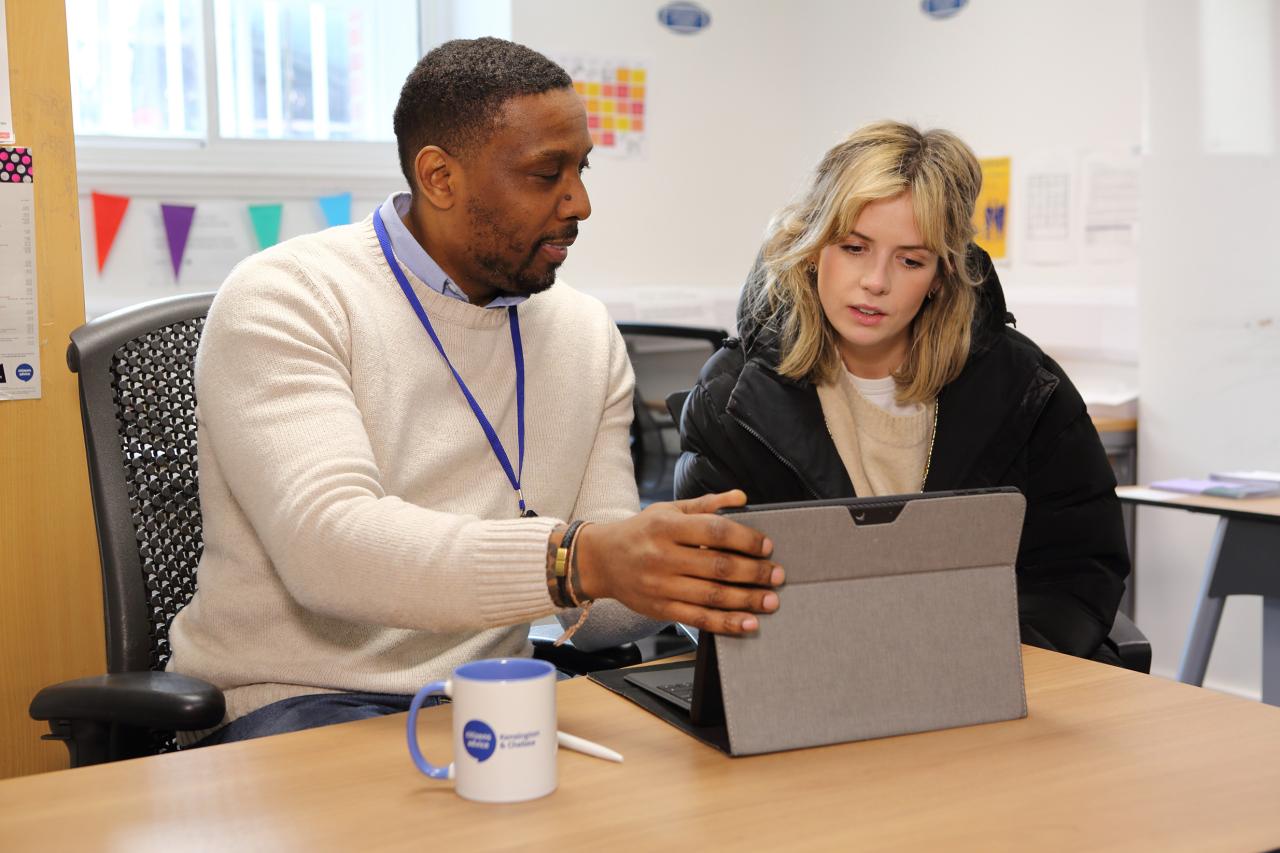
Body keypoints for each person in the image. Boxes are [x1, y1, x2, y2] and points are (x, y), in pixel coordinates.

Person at [168, 37, 783, 746]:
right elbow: (327, 549)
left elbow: (599, 619)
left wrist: (680, 565)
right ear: (439, 177)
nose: (579, 202)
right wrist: (579, 559)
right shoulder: (287, 297)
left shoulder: (583, 332)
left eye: (580, 169)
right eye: (546, 173)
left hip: (496, 695)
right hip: (299, 703)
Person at [676, 121, 1129, 664]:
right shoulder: (733, 397)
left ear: (941, 274)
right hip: (806, 680)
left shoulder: (1026, 388)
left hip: (980, 683)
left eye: (910, 260)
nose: (876, 281)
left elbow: (1074, 571)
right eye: (854, 248)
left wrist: (989, 665)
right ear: (815, 248)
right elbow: (708, 582)